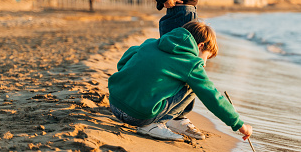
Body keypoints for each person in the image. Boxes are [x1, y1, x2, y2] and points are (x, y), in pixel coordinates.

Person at [108, 21, 253, 142]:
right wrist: (239, 125)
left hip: (115, 104)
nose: (205, 63)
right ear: (201, 46)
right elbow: (212, 96)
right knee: (194, 85)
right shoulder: (191, 63)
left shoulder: (151, 43)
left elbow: (123, 62)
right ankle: (154, 124)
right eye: (206, 57)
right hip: (139, 116)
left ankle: (150, 117)